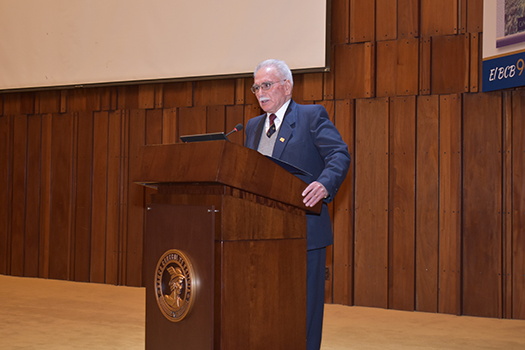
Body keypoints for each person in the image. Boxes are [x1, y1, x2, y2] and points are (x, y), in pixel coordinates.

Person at [244, 59, 351, 350]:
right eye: (256, 87)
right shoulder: (252, 127)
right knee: (268, 305)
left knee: (305, 310)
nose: (260, 93)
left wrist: (324, 184)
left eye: (266, 85)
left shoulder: (311, 116)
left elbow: (339, 155)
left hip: (305, 230)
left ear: (287, 86)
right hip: (262, 232)